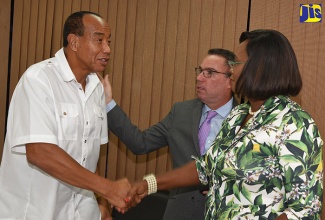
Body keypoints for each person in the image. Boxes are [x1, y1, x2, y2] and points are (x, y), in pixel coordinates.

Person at [126, 29, 323, 219]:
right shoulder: (239, 115)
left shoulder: (294, 123)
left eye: (235, 63)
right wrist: (149, 184)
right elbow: (206, 167)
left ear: (259, 67)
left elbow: (304, 211)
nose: (231, 70)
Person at [0, 11, 130, 220]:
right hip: (38, 213)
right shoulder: (38, 80)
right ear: (74, 42)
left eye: (108, 41)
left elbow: (89, 154)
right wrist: (108, 188)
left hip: (83, 213)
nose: (107, 49)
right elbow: (40, 152)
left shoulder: (96, 87)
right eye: (99, 40)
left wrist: (102, 202)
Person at [102, 48, 237, 219]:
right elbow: (140, 143)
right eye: (200, 71)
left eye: (209, 73)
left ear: (230, 80)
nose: (199, 78)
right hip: (180, 212)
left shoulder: (246, 119)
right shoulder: (181, 112)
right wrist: (108, 103)